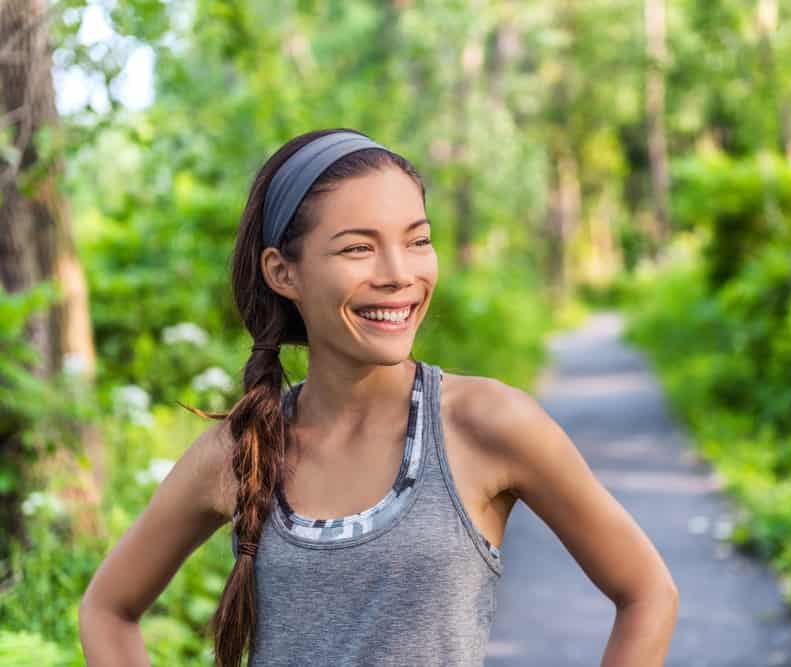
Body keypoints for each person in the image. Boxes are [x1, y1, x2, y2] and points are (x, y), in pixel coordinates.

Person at [78, 128, 679, 666]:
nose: (399, 272)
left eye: (417, 241)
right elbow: (107, 609)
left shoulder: (486, 424)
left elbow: (648, 593)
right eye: (358, 248)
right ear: (283, 272)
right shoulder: (242, 450)